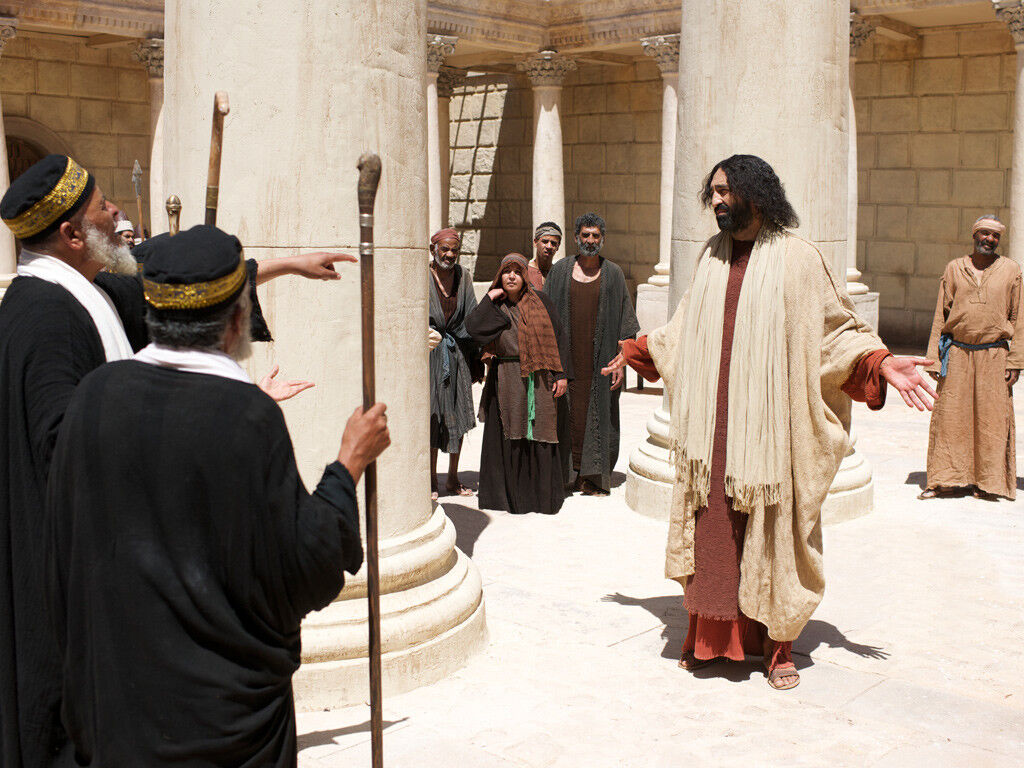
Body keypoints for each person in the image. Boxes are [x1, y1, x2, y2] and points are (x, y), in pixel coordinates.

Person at [0, 155, 352, 767]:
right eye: (103, 206)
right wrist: (225, 425)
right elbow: (73, 460)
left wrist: (289, 264)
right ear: (72, 234)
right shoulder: (46, 320)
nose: (117, 211)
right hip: (84, 597)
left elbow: (178, 288)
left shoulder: (78, 288)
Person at [602, 154, 936, 689]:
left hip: (771, 430)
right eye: (712, 192)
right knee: (714, 532)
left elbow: (835, 332)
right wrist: (637, 349)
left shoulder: (799, 260)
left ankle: (777, 648)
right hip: (715, 429)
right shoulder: (711, 256)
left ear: (755, 194)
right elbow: (682, 330)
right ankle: (709, 639)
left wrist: (879, 362)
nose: (715, 201)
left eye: (724, 191)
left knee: (773, 535)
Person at [922, 215, 1022, 501]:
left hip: (995, 355)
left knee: (993, 420)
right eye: (985, 233)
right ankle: (944, 479)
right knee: (950, 417)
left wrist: (1015, 361)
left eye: (995, 235)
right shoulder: (954, 268)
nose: (989, 239)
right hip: (957, 354)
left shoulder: (1011, 270)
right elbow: (940, 314)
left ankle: (988, 482)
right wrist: (933, 358)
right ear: (974, 235)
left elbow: (1019, 318)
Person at [466, 253, 570, 514]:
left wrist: (561, 375)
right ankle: (505, 498)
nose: (511, 276)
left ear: (525, 276)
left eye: (517, 272)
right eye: (506, 271)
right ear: (499, 276)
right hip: (505, 377)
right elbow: (473, 328)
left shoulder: (541, 302)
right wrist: (488, 298)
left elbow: (559, 337)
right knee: (506, 434)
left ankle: (540, 499)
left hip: (538, 379)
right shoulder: (496, 306)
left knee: (538, 432)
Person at [544, 212, 639, 495]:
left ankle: (593, 477)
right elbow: (545, 318)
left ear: (603, 239)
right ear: (576, 237)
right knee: (566, 414)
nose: (590, 240)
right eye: (585, 235)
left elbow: (626, 324)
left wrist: (621, 362)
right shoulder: (560, 272)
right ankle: (565, 475)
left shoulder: (614, 274)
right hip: (566, 361)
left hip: (602, 363)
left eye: (595, 235)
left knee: (600, 415)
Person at [427, 227, 481, 499]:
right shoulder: (422, 277)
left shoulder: (463, 277)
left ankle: (452, 477)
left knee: (458, 413)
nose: (449, 254)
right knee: (432, 414)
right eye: (444, 249)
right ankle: (430, 480)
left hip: (458, 353)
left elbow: (472, 316)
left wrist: (478, 357)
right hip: (429, 354)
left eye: (454, 250)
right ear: (433, 250)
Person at [528, 221, 562, 290]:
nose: (549, 246)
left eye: (553, 243)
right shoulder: (525, 272)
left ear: (558, 246)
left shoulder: (560, 275)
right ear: (535, 242)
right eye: (545, 241)